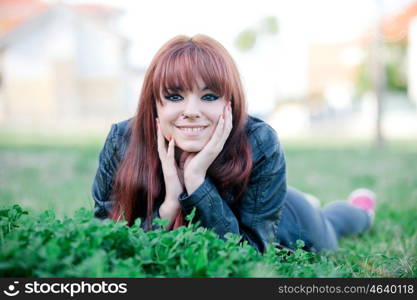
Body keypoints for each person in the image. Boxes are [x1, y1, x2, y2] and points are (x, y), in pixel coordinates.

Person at [91, 34, 377, 254]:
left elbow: (247, 256)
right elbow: (108, 242)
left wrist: (196, 181)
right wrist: (168, 205)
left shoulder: (259, 141)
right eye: (175, 96)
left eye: (209, 96)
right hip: (262, 203)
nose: (191, 110)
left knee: (332, 223)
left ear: (230, 101)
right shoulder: (122, 141)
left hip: (290, 222)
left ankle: (361, 208)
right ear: (154, 103)